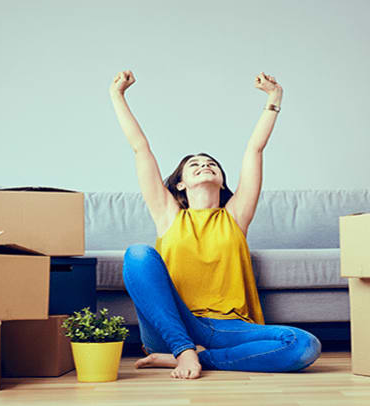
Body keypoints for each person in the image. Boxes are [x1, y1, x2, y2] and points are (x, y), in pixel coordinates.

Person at [110, 70, 321, 379]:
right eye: (193, 165)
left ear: (222, 181)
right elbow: (141, 148)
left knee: (303, 345)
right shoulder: (168, 214)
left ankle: (197, 358)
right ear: (179, 185)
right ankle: (182, 350)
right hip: (174, 323)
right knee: (138, 255)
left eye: (211, 164)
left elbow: (255, 150)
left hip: (228, 328)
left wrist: (274, 99)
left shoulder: (235, 215)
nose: (204, 165)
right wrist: (118, 96)